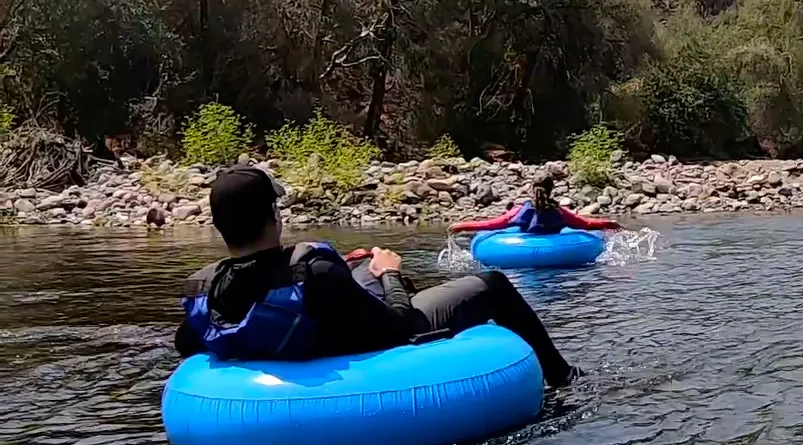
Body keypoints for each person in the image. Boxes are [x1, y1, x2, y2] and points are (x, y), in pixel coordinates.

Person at [174, 164, 581, 387]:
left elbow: (188, 343)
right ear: (274, 217)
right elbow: (398, 327)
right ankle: (563, 378)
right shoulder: (311, 269)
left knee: (357, 269)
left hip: (298, 341)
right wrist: (390, 275)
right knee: (492, 284)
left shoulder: (204, 287)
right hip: (356, 350)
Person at [449, 173, 621, 234]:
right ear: (552, 189)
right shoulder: (559, 211)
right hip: (559, 252)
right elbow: (586, 224)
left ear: (532, 188)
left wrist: (463, 225)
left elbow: (493, 224)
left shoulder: (520, 210)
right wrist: (610, 223)